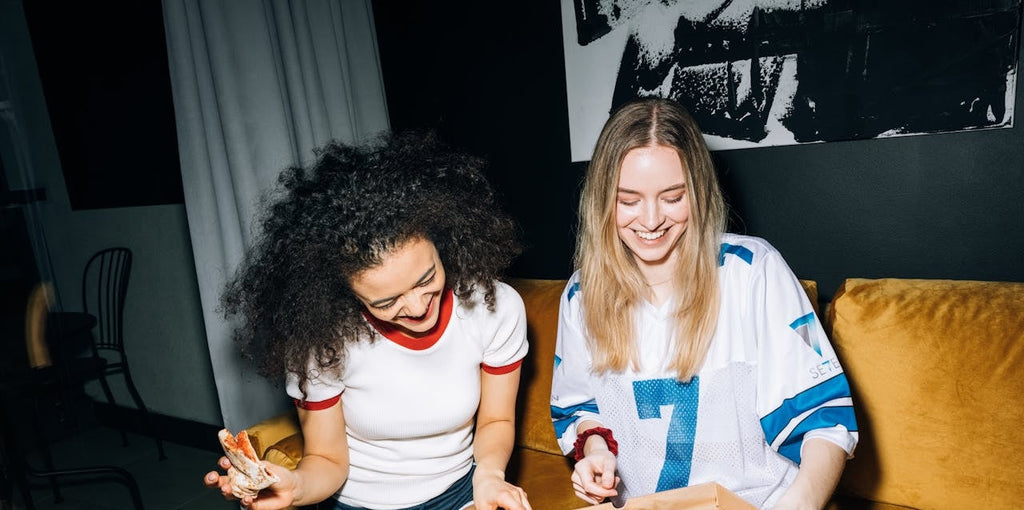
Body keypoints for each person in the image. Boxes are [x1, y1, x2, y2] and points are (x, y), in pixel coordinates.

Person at [550, 98, 858, 509]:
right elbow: (581, 408)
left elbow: (825, 421)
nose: (651, 220)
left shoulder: (754, 271)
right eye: (628, 200)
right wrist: (596, 451)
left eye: (672, 197)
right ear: (601, 200)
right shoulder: (581, 295)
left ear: (698, 191)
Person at [205, 132, 533, 510]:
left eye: (426, 279)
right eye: (386, 302)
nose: (416, 307)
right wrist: (293, 487)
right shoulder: (324, 342)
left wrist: (489, 477)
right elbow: (326, 460)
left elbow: (495, 421)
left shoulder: (494, 308)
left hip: (461, 493)